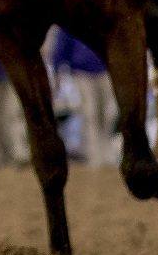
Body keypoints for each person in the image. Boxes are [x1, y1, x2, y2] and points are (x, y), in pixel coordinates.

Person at [49, 29, 115, 167]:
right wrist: (57, 69)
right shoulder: (72, 13)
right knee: (89, 114)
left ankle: (106, 151)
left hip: (107, 69)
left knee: (108, 113)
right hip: (81, 71)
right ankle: (94, 155)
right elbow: (62, 42)